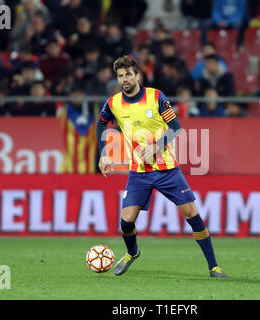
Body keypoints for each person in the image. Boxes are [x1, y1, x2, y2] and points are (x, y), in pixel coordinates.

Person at [96, 56, 228, 278]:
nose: (124, 79)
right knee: (126, 223)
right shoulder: (113, 103)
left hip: (167, 169)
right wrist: (103, 153)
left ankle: (213, 266)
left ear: (137, 75)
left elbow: (176, 127)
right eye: (120, 76)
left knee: (191, 213)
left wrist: (156, 147)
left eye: (128, 74)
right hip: (138, 172)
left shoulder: (156, 97)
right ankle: (132, 252)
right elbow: (101, 122)